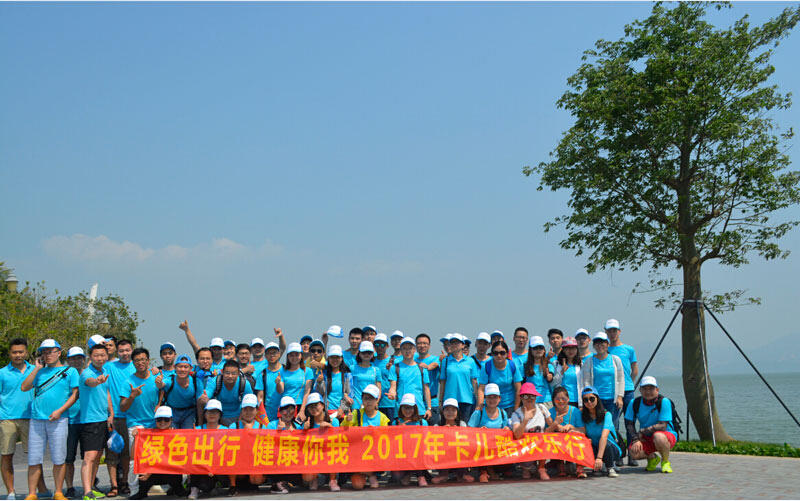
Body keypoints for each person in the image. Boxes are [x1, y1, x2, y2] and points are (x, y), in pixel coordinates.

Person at [20, 339, 79, 501]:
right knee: (34, 458)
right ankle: (32, 493)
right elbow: (24, 387)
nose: (47, 355)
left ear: (59, 353)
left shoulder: (70, 371)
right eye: (44, 352)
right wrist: (36, 369)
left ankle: (58, 492)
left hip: (59, 420)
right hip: (37, 419)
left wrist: (60, 411)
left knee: (59, 458)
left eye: (50, 352)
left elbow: (75, 394)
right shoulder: (38, 371)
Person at [0, 337, 40, 501]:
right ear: (10, 353)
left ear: (26, 352)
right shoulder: (2, 373)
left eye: (21, 352)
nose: (17, 355)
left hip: (31, 418)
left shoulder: (35, 370)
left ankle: (41, 489)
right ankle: (11, 492)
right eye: (14, 352)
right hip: (7, 419)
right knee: (6, 455)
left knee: (34, 456)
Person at [128, 406, 188, 500]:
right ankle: (141, 492)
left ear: (171, 420)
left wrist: (150, 472)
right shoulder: (147, 434)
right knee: (139, 466)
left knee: (173, 468)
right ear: (155, 420)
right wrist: (136, 438)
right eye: (159, 419)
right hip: (151, 471)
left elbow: (171, 458)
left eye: (166, 419)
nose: (162, 422)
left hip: (169, 471)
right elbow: (133, 456)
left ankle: (177, 489)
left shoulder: (177, 435)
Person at [78, 341, 114, 501]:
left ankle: (92, 487)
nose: (100, 358)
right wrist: (97, 381)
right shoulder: (87, 373)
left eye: (102, 355)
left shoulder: (105, 371)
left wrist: (111, 413)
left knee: (98, 456)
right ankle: (87, 492)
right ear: (90, 357)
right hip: (90, 421)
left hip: (103, 419)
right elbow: (90, 382)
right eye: (96, 355)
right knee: (90, 457)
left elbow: (107, 393)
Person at [341, 385, 389, 490]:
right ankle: (370, 475)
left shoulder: (383, 417)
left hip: (375, 455)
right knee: (357, 485)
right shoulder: (356, 413)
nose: (368, 402)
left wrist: (375, 433)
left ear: (376, 400)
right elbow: (343, 431)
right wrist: (347, 421)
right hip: (357, 456)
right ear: (362, 400)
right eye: (366, 398)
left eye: (371, 398)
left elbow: (386, 438)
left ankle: (372, 474)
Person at [605, 318, 639, 466]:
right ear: (606, 332)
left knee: (630, 421)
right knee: (614, 423)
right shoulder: (605, 350)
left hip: (628, 390)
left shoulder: (629, 349)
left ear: (619, 331)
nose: (612, 333)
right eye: (609, 331)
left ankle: (632, 454)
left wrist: (628, 383)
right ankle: (617, 453)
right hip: (612, 392)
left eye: (614, 330)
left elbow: (634, 369)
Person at [103, 338, 135, 496]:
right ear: (116, 351)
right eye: (121, 351)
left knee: (127, 454)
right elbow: (106, 389)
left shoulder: (137, 366)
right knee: (112, 452)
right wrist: (110, 413)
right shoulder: (108, 367)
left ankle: (125, 482)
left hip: (131, 417)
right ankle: (113, 485)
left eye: (127, 350)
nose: (125, 353)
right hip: (113, 416)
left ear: (132, 350)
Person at [625, 376, 676, 474]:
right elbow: (629, 424)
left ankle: (665, 461)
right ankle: (653, 458)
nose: (648, 392)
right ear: (640, 390)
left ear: (657, 390)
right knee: (633, 452)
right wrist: (635, 439)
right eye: (644, 389)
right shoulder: (634, 403)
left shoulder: (664, 402)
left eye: (651, 388)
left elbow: (662, 426)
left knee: (658, 436)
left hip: (666, 435)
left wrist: (642, 431)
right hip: (646, 436)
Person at [509, 382, 553, 481]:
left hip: (540, 445)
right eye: (526, 396)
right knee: (526, 475)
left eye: (532, 396)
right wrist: (525, 420)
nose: (529, 399)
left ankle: (541, 468)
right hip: (525, 446)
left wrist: (558, 424)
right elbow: (517, 435)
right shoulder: (516, 414)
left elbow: (551, 424)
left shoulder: (541, 408)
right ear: (521, 398)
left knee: (546, 440)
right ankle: (526, 467)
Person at [580, 332, 624, 428]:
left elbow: (620, 379)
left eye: (602, 342)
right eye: (597, 343)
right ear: (594, 346)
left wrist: (620, 397)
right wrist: (589, 398)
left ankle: (613, 439)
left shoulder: (615, 359)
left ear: (607, 344)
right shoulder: (589, 361)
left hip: (613, 400)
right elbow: (586, 381)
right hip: (596, 400)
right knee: (597, 425)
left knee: (613, 426)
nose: (600, 345)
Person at [226, 394, 268, 496]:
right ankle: (232, 486)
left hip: (255, 460)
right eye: (245, 409)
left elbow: (265, 446)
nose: (248, 412)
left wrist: (251, 432)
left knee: (256, 479)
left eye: (251, 409)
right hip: (239, 459)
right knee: (230, 456)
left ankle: (250, 483)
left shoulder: (262, 426)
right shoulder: (234, 426)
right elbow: (229, 446)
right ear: (241, 410)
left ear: (256, 411)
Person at [468, 384, 507, 483]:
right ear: (485, 398)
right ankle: (484, 472)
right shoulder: (478, 413)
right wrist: (479, 431)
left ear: (499, 399)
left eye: (495, 397)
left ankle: (492, 470)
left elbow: (505, 429)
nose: (492, 400)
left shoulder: (503, 413)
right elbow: (468, 431)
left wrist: (507, 430)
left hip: (497, 447)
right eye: (489, 397)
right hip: (481, 447)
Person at [188, 400, 227, 500]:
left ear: (220, 414)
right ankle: (194, 489)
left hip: (219, 466)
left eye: (215, 412)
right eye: (209, 411)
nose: (212, 414)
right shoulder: (197, 429)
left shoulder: (226, 430)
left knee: (208, 486)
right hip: (201, 466)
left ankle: (215, 485)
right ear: (205, 414)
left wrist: (215, 467)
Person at [301, 393, 340, 491]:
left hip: (329, 457)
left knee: (333, 452)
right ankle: (314, 478)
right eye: (310, 406)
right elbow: (300, 444)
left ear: (322, 405)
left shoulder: (333, 421)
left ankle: (332, 480)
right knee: (307, 477)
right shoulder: (307, 424)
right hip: (314, 458)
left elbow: (338, 440)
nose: (313, 408)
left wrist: (329, 428)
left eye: (316, 405)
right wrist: (304, 431)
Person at [387, 338, 432, 423]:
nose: (407, 351)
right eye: (404, 348)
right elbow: (393, 387)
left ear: (414, 350)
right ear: (401, 350)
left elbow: (426, 389)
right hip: (401, 411)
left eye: (410, 348)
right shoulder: (395, 368)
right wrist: (392, 393)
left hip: (419, 410)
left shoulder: (422, 368)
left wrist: (429, 408)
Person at [580, 386, 621, 478]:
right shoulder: (583, 416)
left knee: (606, 444)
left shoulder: (606, 415)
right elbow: (581, 431)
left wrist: (599, 458)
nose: (589, 402)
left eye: (592, 399)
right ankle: (597, 466)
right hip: (595, 446)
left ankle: (610, 467)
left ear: (597, 399)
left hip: (610, 448)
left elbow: (604, 437)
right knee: (587, 444)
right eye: (585, 400)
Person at [430, 399, 473, 485]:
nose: (450, 413)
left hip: (458, 454)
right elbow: (432, 442)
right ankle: (443, 473)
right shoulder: (437, 426)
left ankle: (462, 472)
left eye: (453, 410)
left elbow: (466, 441)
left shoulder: (462, 424)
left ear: (457, 412)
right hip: (443, 456)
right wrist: (443, 432)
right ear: (443, 412)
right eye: (447, 410)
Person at [265, 396, 302, 495]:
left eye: (291, 410)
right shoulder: (272, 425)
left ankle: (284, 483)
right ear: (280, 411)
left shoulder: (298, 427)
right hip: (276, 460)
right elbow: (266, 444)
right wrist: (278, 432)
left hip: (292, 459)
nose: (288, 413)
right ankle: (277, 483)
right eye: (285, 410)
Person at [547, 386, 586, 478]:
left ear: (568, 399)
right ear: (553, 400)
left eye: (563, 398)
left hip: (572, 442)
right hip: (557, 443)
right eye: (557, 399)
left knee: (578, 436)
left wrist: (571, 427)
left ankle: (579, 467)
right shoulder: (550, 413)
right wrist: (555, 424)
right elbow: (545, 432)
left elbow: (583, 431)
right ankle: (560, 465)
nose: (561, 401)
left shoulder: (575, 411)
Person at [438, 334, 478, 421]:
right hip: (449, 400)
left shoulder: (470, 361)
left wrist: (477, 400)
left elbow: (474, 382)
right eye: (452, 343)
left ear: (463, 345)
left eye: (457, 342)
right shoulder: (446, 361)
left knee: (464, 426)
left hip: (467, 400)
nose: (454, 345)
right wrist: (440, 401)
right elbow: (443, 382)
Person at [391, 394, 428, 487]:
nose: (407, 411)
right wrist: (398, 430)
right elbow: (391, 442)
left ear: (415, 408)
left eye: (410, 408)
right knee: (396, 477)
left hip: (418, 456)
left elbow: (427, 440)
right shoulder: (396, 422)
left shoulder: (422, 422)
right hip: (401, 456)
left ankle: (420, 475)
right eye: (405, 407)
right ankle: (408, 473)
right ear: (401, 408)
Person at [201, 360, 254, 426]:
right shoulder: (215, 381)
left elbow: (250, 404)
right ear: (222, 372)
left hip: (239, 416)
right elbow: (207, 394)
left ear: (238, 373)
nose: (230, 376)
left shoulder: (244, 383)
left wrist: (238, 424)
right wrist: (205, 399)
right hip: (218, 417)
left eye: (234, 373)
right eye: (227, 373)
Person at [63, 347, 86, 498]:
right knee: (68, 457)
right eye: (73, 358)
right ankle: (70, 487)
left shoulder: (88, 374)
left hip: (86, 421)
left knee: (88, 457)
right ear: (68, 360)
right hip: (69, 421)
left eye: (79, 358)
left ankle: (89, 485)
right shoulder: (63, 375)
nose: (76, 361)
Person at [157, 354, 202, 430]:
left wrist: (200, 422)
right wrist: (158, 382)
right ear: (175, 367)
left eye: (186, 367)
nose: (182, 369)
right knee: (171, 434)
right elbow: (161, 385)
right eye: (180, 366)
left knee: (188, 434)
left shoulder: (196, 382)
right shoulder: (170, 380)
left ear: (191, 368)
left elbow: (199, 404)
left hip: (189, 413)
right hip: (172, 412)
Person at [477, 341, 521, 417]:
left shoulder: (512, 366)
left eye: (502, 353)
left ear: (507, 354)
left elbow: (518, 389)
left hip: (509, 405)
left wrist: (516, 407)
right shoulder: (487, 366)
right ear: (492, 354)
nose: (499, 355)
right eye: (495, 353)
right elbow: (481, 389)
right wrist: (480, 405)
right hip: (491, 406)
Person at [414, 333, 441, 426]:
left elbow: (434, 365)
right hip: (416, 403)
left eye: (425, 343)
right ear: (415, 346)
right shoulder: (412, 360)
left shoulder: (436, 359)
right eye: (419, 343)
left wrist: (427, 367)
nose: (422, 346)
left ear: (429, 346)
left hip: (432, 403)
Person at [255, 342, 285, 421]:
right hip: (268, 414)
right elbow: (260, 397)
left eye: (274, 353)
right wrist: (261, 415)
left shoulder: (286, 370)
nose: (272, 355)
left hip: (286, 412)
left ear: (279, 354)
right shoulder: (262, 374)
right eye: (269, 353)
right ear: (265, 356)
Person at [320, 345, 352, 418]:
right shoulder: (324, 374)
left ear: (341, 358)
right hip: (326, 413)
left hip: (342, 414)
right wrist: (319, 382)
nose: (334, 360)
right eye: (332, 357)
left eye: (337, 357)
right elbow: (319, 392)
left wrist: (342, 408)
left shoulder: (347, 375)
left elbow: (350, 395)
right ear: (328, 358)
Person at [522, 336, 554, 408]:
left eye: (541, 348)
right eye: (535, 348)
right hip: (530, 400)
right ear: (530, 350)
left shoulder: (549, 365)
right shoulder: (525, 366)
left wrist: (550, 377)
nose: (538, 350)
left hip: (546, 401)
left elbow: (551, 377)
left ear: (544, 350)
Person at [298, 340, 327, 419]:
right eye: (313, 351)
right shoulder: (304, 365)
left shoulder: (327, 364)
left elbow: (330, 367)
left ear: (323, 353)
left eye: (319, 351)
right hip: (308, 403)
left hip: (321, 403)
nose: (316, 353)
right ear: (309, 352)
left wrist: (319, 365)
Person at [350, 342, 381, 412]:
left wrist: (376, 402)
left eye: (369, 352)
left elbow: (379, 389)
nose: (366, 354)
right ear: (359, 353)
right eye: (364, 352)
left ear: (372, 354)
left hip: (371, 405)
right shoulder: (352, 368)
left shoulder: (376, 370)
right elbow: (348, 387)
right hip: (356, 404)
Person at [552, 337, 583, 407]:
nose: (571, 351)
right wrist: (561, 373)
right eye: (567, 348)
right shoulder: (556, 364)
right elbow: (552, 383)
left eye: (573, 348)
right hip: (561, 400)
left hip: (577, 400)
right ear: (563, 350)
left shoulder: (581, 365)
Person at [372, 334, 395, 420]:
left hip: (388, 403)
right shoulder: (370, 361)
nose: (379, 347)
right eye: (377, 344)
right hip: (372, 403)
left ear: (387, 346)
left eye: (382, 345)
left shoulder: (393, 361)